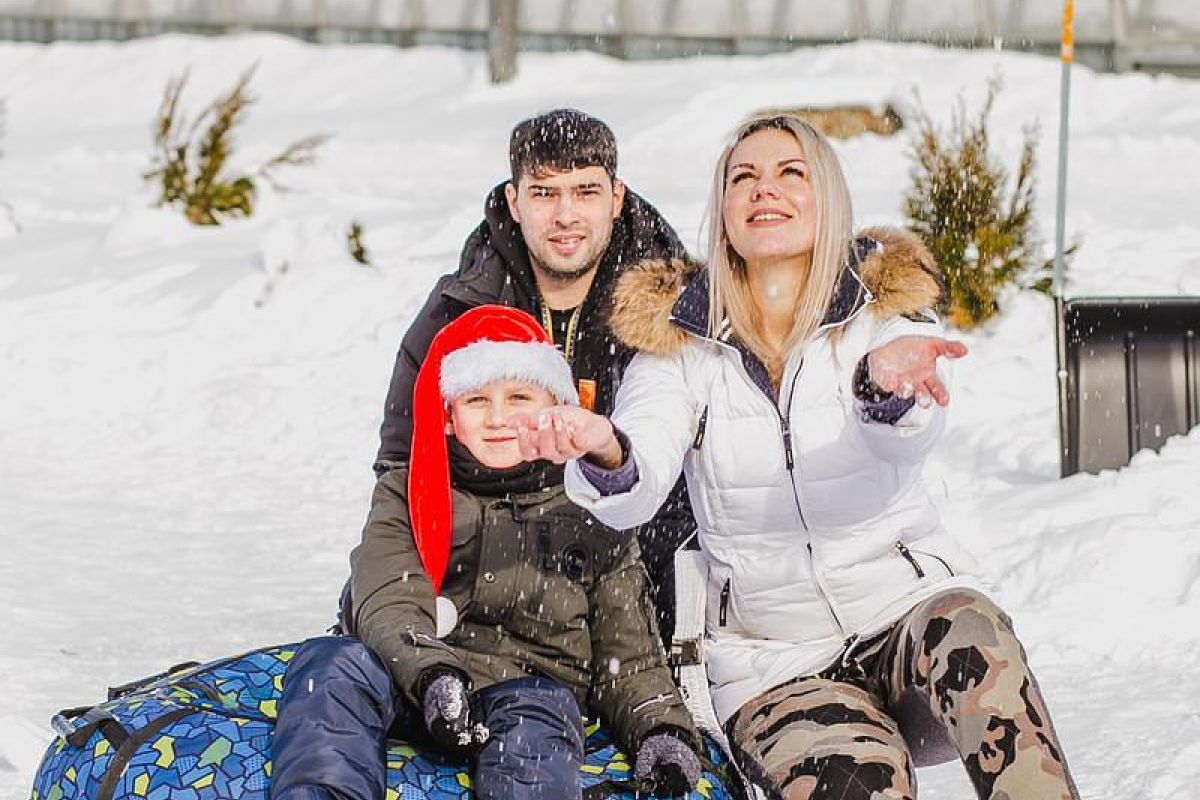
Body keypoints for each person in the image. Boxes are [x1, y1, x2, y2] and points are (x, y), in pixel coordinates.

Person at [511, 114, 1081, 800]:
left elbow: (909, 428)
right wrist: (604, 447)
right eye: (743, 177)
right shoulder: (683, 345)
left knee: (976, 637)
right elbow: (643, 465)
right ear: (723, 212)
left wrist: (882, 385)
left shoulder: (878, 312)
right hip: (776, 659)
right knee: (852, 784)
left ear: (827, 198)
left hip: (906, 615)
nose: (764, 189)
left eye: (790, 172)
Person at [270, 306, 704, 800]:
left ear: (554, 406)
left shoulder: (590, 508)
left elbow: (628, 653)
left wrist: (661, 730)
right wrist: (431, 675)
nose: (498, 418)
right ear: (449, 417)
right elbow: (387, 599)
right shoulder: (408, 491)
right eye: (477, 400)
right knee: (332, 665)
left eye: (519, 397)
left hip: (529, 689)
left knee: (540, 724)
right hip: (414, 676)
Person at [371, 107, 695, 640]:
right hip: (498, 563)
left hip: (635, 560)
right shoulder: (460, 311)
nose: (565, 215)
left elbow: (690, 471)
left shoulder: (669, 310)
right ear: (513, 201)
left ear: (617, 198)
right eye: (545, 193)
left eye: (585, 192)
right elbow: (402, 463)